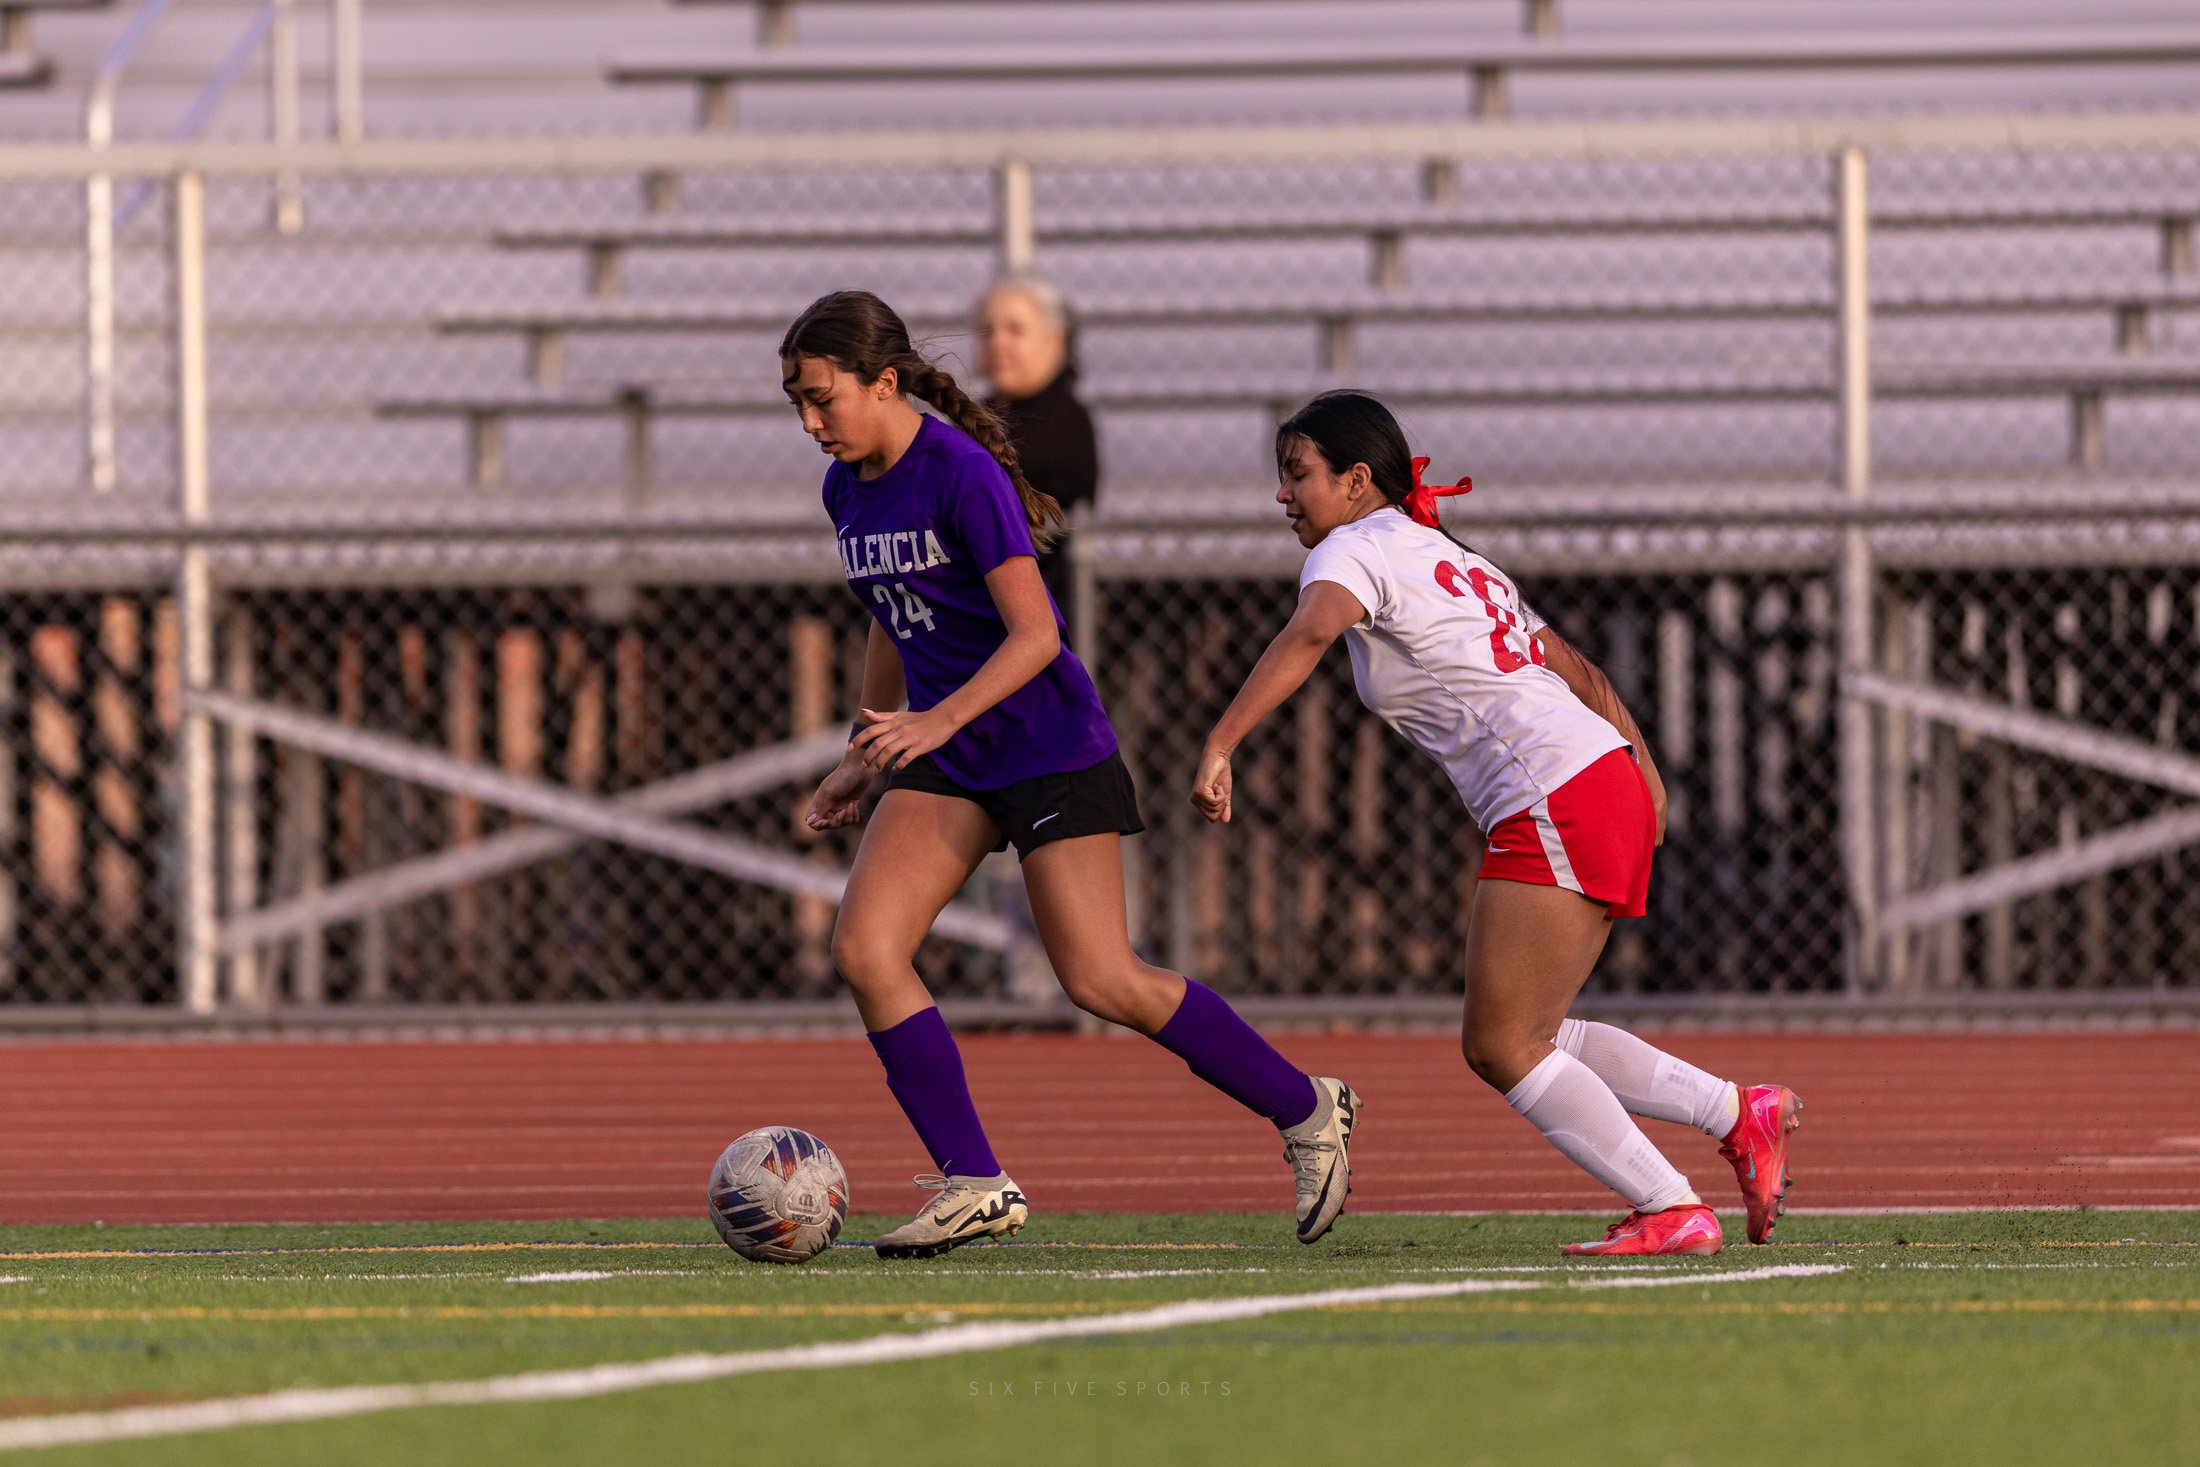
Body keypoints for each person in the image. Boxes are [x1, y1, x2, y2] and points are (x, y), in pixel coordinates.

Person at [784, 290, 1359, 1259]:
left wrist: (935, 720)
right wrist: (861, 753)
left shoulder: (960, 472)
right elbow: (891, 613)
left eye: (821, 397)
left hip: (1044, 743)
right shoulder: (847, 488)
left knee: (1101, 978)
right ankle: (975, 1181)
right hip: (950, 754)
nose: (809, 421)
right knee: (867, 949)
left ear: (883, 383)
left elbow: (1036, 635)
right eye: (796, 402)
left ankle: (1306, 1107)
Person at [1191, 390, 1801, 1257]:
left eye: (1298, 474)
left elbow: (1311, 632)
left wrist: (1222, 741)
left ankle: (1669, 1203)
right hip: (1595, 775)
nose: (1284, 494)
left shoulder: (1352, 547)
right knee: (1533, 1030)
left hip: (1554, 789)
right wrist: (1645, 772)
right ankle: (1739, 1112)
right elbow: (1575, 666)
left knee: (1500, 1042)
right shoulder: (1449, 554)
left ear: (1358, 480)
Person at [976, 273, 1098, 625]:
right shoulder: (977, 415)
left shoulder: (1065, 421)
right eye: (987, 331)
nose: (997, 342)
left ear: (1054, 341)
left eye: (1015, 330)